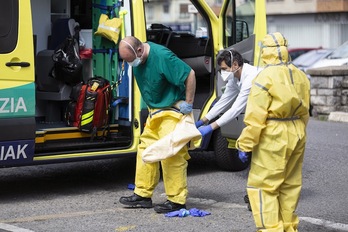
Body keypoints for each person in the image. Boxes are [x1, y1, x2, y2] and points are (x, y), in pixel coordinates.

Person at [236, 32, 310, 232]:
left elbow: (255, 118)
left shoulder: (265, 77)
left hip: (273, 133)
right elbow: (306, 112)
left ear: (265, 52)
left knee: (263, 187)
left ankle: (271, 229)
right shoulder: (300, 75)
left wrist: (245, 145)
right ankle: (288, 227)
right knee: (290, 185)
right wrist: (300, 131)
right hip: (297, 131)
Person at [118, 36, 196, 214]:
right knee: (145, 151)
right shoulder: (137, 58)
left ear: (139, 50)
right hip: (156, 112)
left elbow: (189, 74)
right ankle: (143, 195)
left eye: (131, 60)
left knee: (172, 156)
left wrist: (189, 103)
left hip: (172, 111)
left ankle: (177, 200)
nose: (131, 64)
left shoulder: (162, 56)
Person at [195, 49, 260, 145]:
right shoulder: (234, 79)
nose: (222, 72)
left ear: (235, 64)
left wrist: (210, 127)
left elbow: (235, 109)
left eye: (224, 69)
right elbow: (222, 102)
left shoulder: (250, 76)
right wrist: (202, 121)